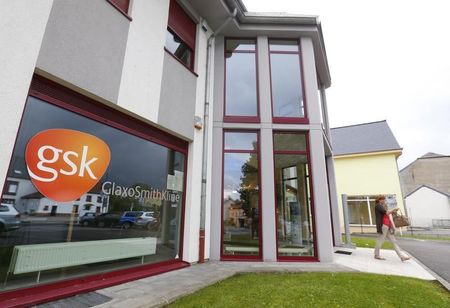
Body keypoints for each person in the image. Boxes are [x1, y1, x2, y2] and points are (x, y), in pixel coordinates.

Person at [374, 195, 410, 261]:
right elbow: (386, 213)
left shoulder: (382, 206)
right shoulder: (378, 206)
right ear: (379, 200)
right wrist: (393, 209)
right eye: (383, 199)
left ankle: (402, 256)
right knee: (380, 240)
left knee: (394, 241)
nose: (384, 201)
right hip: (383, 226)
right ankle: (376, 255)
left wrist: (392, 226)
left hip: (387, 226)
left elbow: (388, 214)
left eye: (384, 200)